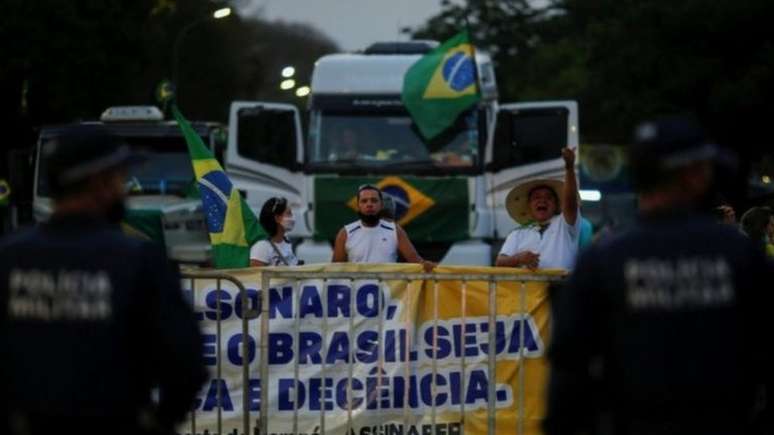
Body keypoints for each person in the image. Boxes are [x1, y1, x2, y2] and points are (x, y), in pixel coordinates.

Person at [544, 116, 772, 435]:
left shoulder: (603, 259)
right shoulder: (738, 254)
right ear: (692, 176)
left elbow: (568, 378)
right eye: (707, 168)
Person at [0, 125, 207, 435]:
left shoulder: (9, 257)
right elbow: (186, 362)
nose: (126, 188)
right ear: (101, 182)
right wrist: (157, 422)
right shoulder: (137, 259)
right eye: (121, 177)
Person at [495, 147, 581, 270]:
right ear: (529, 205)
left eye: (548, 197)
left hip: (561, 288)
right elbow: (499, 262)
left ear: (557, 205)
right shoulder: (518, 233)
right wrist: (518, 258)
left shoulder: (565, 224)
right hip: (527, 289)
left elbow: (570, 201)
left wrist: (569, 168)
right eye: (536, 198)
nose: (542, 200)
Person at [332, 184, 436, 271]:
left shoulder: (395, 230)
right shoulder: (345, 233)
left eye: (374, 200)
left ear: (381, 205)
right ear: (358, 206)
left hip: (389, 293)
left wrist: (427, 265)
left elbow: (417, 262)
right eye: (364, 201)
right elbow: (335, 270)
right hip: (356, 293)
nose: (369, 204)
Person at [250, 196, 300, 266]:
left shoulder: (286, 239)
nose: (292, 217)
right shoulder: (261, 247)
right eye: (289, 213)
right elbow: (256, 275)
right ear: (277, 218)